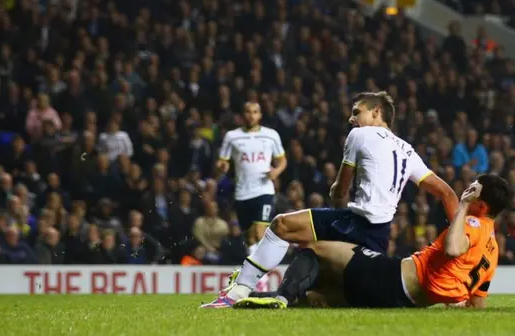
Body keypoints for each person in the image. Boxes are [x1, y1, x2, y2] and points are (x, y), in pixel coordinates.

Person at [201, 91, 458, 308]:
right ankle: (276, 297)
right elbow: (446, 192)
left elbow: (339, 191)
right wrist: (460, 239)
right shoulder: (407, 150)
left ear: (376, 112)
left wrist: (335, 191)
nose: (351, 118)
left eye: (357, 112)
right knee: (318, 290)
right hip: (379, 239)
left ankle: (240, 292)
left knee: (282, 226)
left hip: (357, 223)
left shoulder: (360, 135)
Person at [235, 175, 507, 309]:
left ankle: (280, 296)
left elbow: (453, 248)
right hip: (402, 301)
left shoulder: (471, 223)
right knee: (320, 299)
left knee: (317, 249)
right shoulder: (492, 251)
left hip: (392, 277)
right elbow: (477, 304)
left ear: (481, 205)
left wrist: (462, 207)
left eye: (473, 189)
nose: (467, 189)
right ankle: (258, 300)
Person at [216, 101, 287, 291]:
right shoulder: (232, 137)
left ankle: (259, 281)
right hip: (242, 193)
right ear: (242, 115)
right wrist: (223, 166)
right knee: (249, 239)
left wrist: (276, 172)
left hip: (263, 190)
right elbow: (223, 160)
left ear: (260, 115)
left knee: (258, 233)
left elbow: (282, 160)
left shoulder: (271, 135)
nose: (251, 115)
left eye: (255, 112)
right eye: (247, 112)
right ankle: (255, 278)